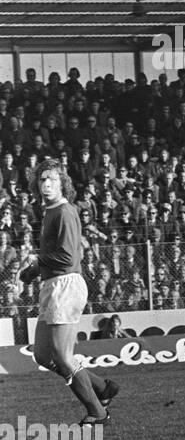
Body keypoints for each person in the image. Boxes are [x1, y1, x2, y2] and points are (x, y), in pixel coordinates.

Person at [20, 159, 122, 424]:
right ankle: (102, 388)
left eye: (52, 179)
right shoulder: (50, 212)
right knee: (43, 354)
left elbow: (66, 257)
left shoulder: (64, 211)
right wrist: (34, 271)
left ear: (62, 183)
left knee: (63, 357)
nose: (46, 184)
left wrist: (37, 261)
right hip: (53, 285)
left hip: (65, 286)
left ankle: (97, 412)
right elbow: (54, 256)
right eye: (42, 180)